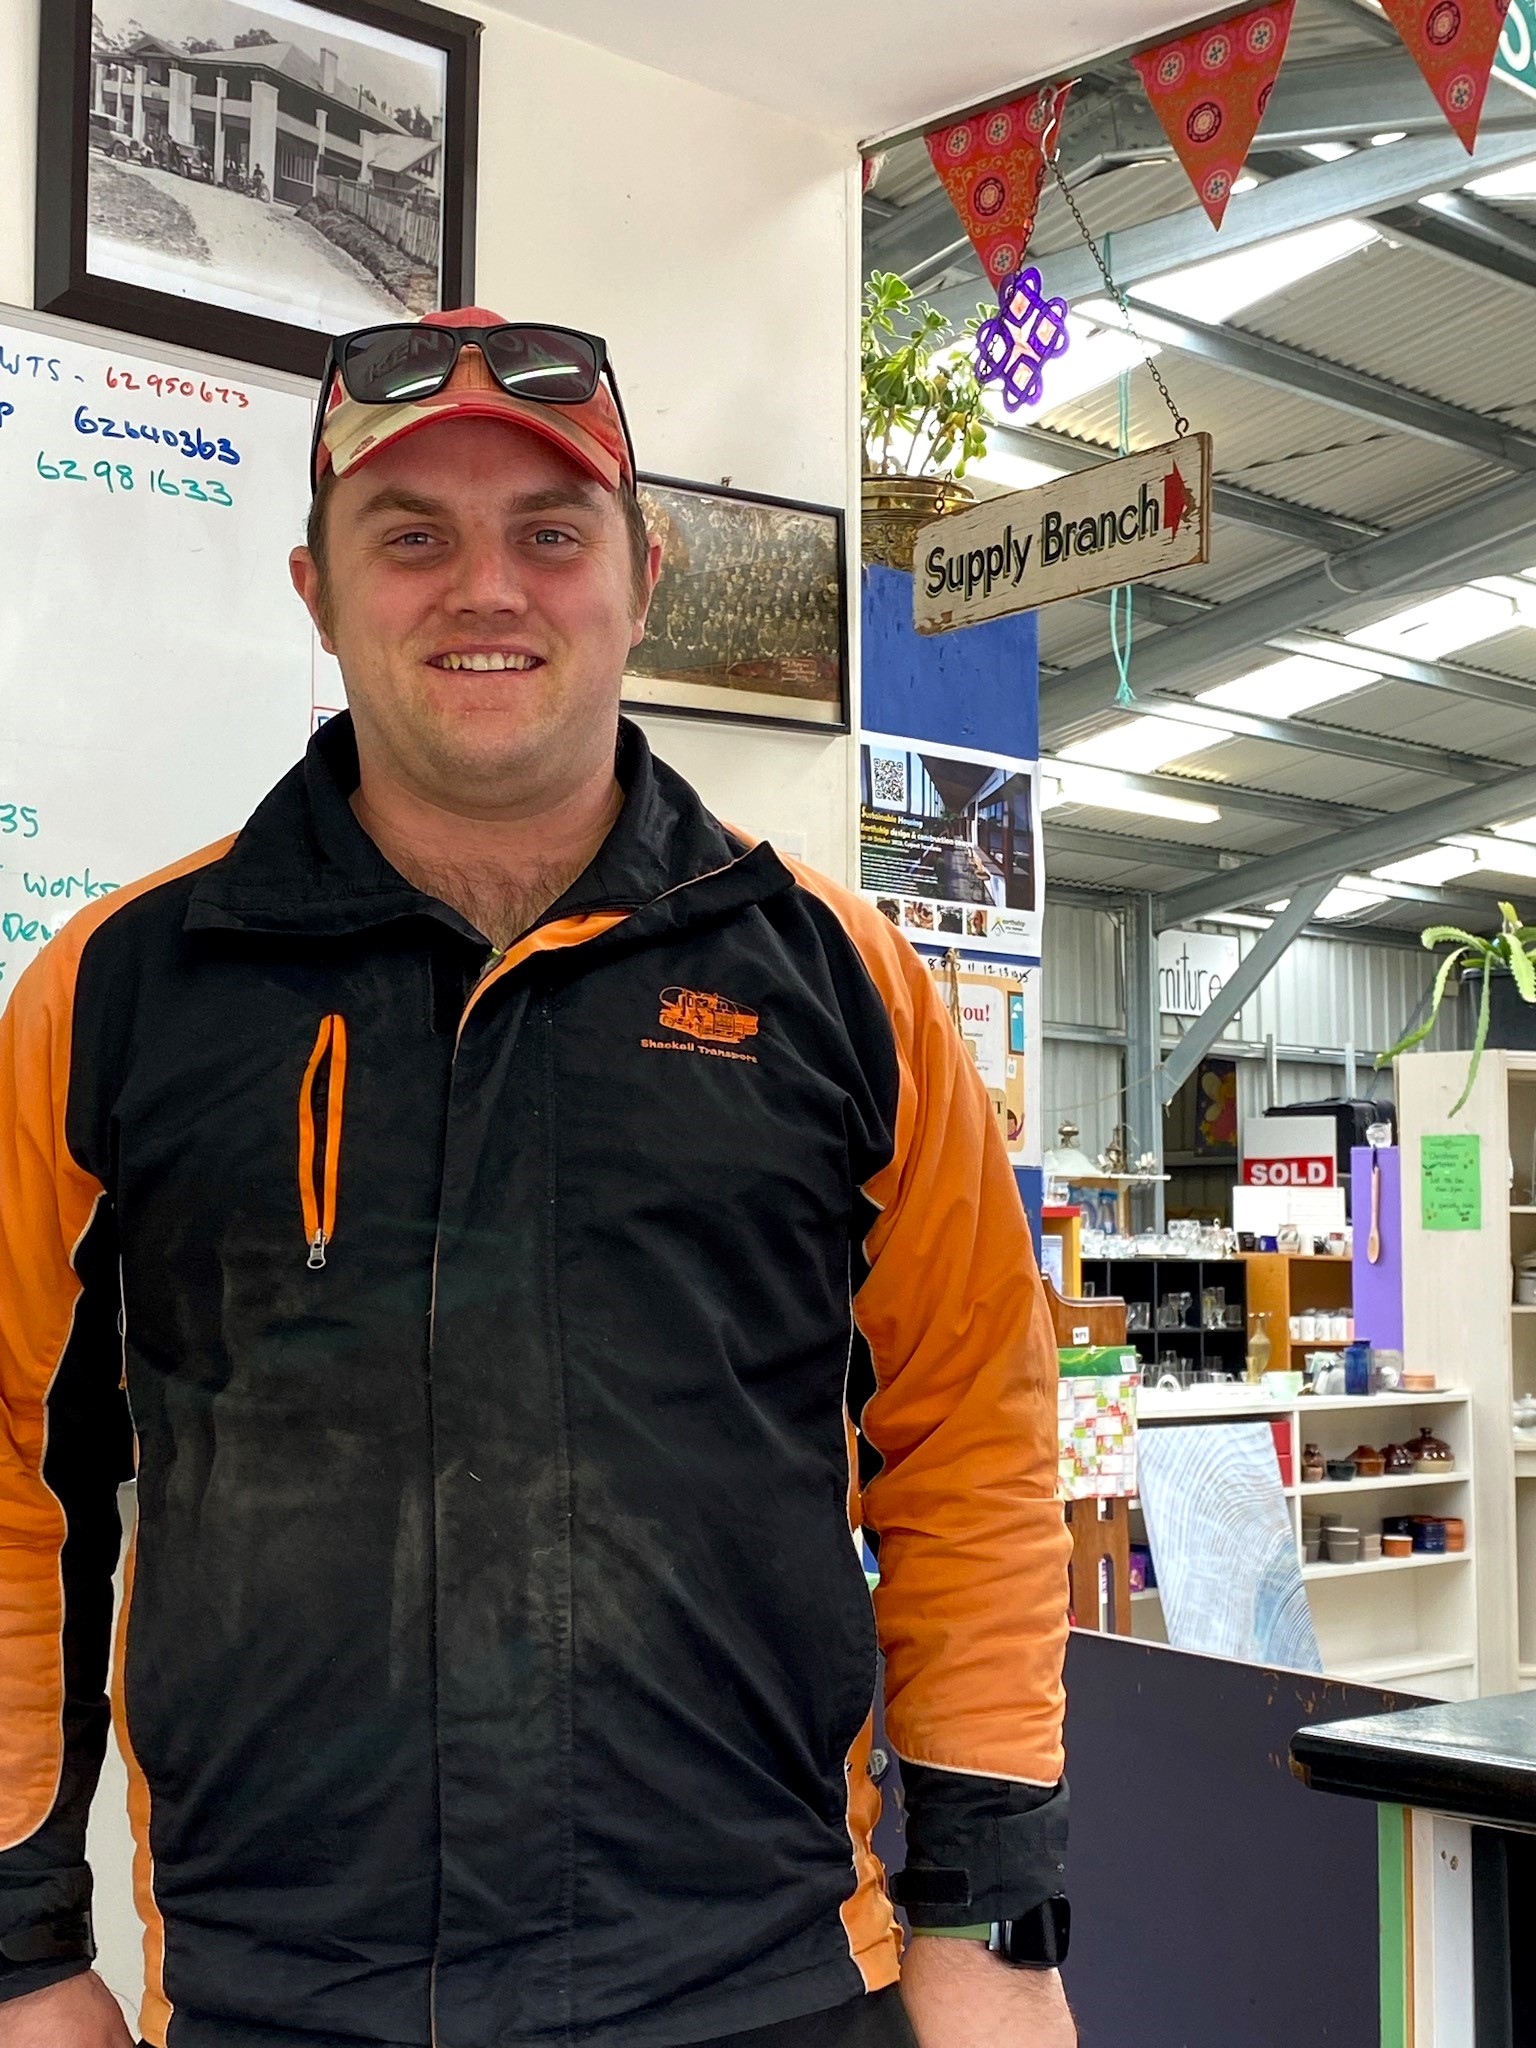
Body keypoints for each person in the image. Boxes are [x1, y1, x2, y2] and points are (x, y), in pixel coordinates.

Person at [0, 309, 1072, 2048]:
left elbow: (974, 1446)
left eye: (548, 535)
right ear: (315, 589)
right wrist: (19, 1951)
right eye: (410, 535)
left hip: (763, 1985)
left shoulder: (838, 983)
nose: (484, 588)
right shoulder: (119, 993)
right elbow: (13, 1465)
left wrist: (995, 1921)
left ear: (642, 575)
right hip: (289, 2001)